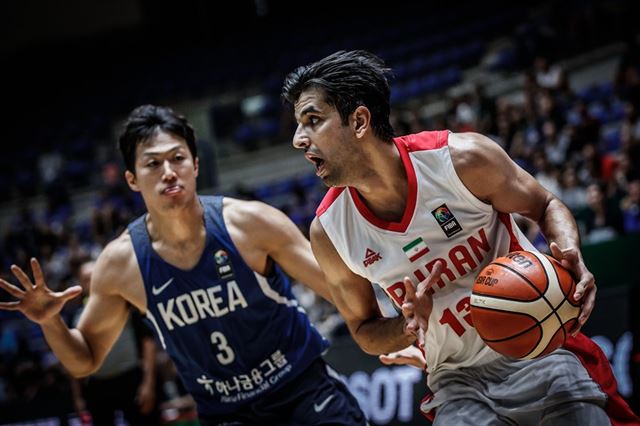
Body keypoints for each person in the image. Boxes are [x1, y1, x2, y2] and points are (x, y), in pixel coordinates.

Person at [281, 50, 640, 425]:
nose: (298, 140)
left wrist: (570, 251)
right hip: (457, 382)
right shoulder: (329, 231)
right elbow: (364, 332)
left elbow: (545, 204)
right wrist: (407, 326)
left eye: (313, 120)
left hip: (540, 350)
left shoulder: (459, 160)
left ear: (359, 121)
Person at [0, 105, 367, 425]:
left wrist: (391, 327)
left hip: (301, 389)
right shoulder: (121, 263)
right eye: (152, 163)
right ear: (131, 178)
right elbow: (85, 359)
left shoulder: (251, 223)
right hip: (228, 414)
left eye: (177, 158)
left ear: (195, 164)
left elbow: (337, 289)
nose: (168, 171)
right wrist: (50, 322)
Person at [68, 258, 160, 426]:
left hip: (131, 380)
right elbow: (71, 358)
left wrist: (148, 383)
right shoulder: (74, 315)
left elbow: (148, 342)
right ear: (80, 283)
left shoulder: (126, 302)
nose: (91, 281)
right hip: (97, 386)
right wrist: (78, 397)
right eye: (86, 278)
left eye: (94, 276)